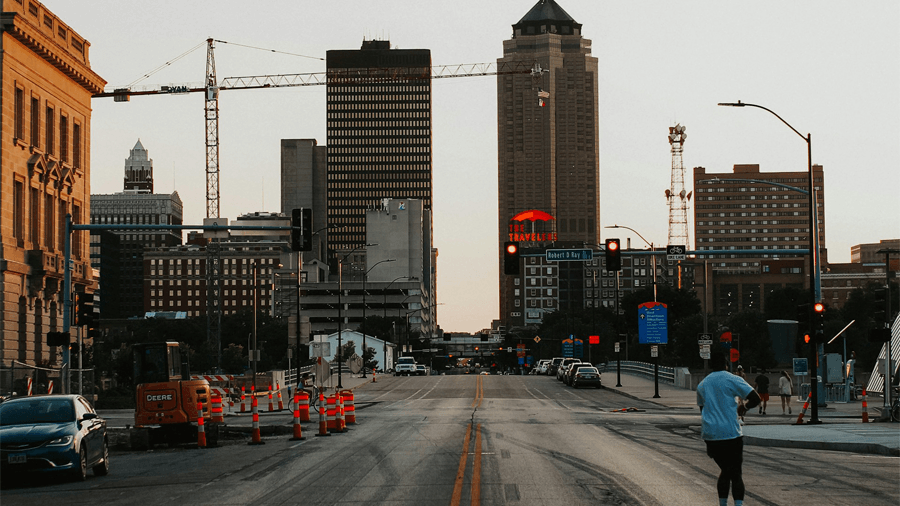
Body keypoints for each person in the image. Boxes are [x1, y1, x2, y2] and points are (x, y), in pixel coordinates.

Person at [697, 349, 761, 506]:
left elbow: (703, 409)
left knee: (725, 470)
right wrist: (744, 407)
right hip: (731, 433)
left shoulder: (702, 384)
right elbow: (755, 398)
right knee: (735, 473)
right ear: (726, 364)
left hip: (711, 435)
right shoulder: (732, 379)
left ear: (711, 365)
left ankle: (723, 503)